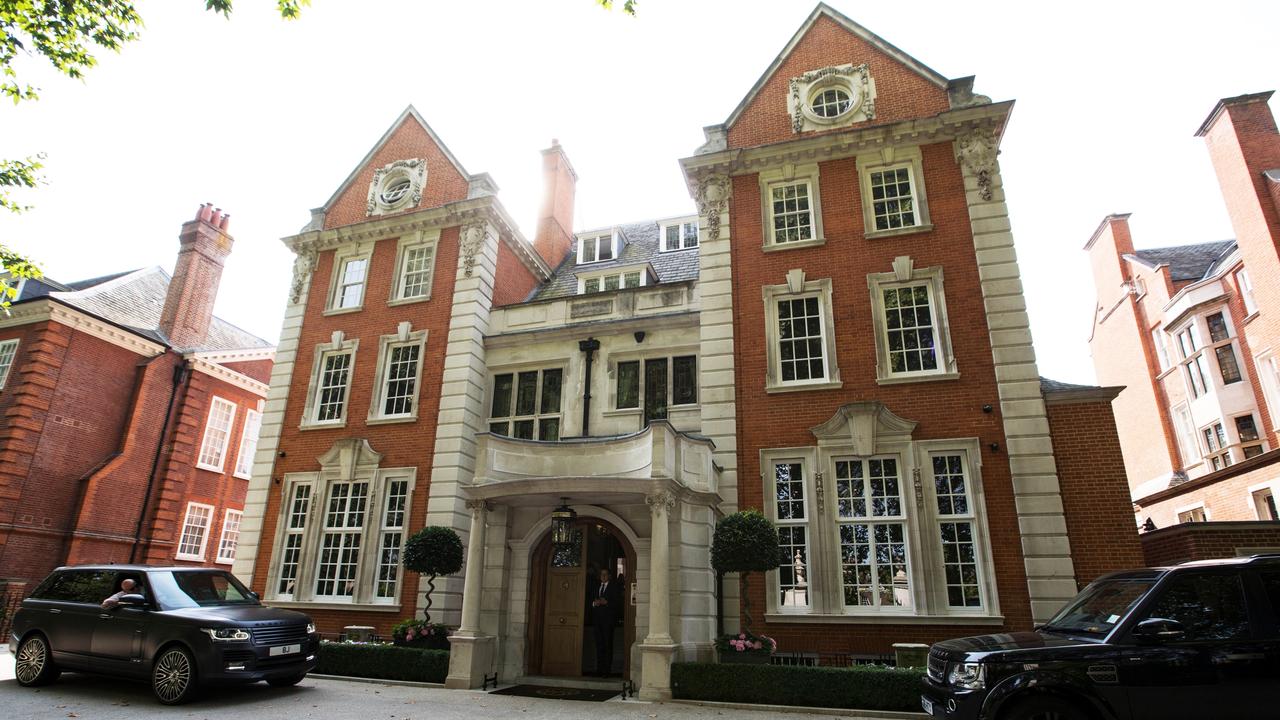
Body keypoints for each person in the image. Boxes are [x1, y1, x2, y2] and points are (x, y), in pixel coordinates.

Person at [589, 568, 623, 676]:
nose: (603, 576)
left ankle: (606, 671)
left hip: (608, 621)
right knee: (599, 645)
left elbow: (618, 603)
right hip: (597, 621)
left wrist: (607, 602)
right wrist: (595, 603)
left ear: (609, 576)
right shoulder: (596, 587)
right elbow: (589, 601)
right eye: (601, 574)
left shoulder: (614, 587)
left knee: (607, 645)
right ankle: (599, 669)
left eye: (605, 574)